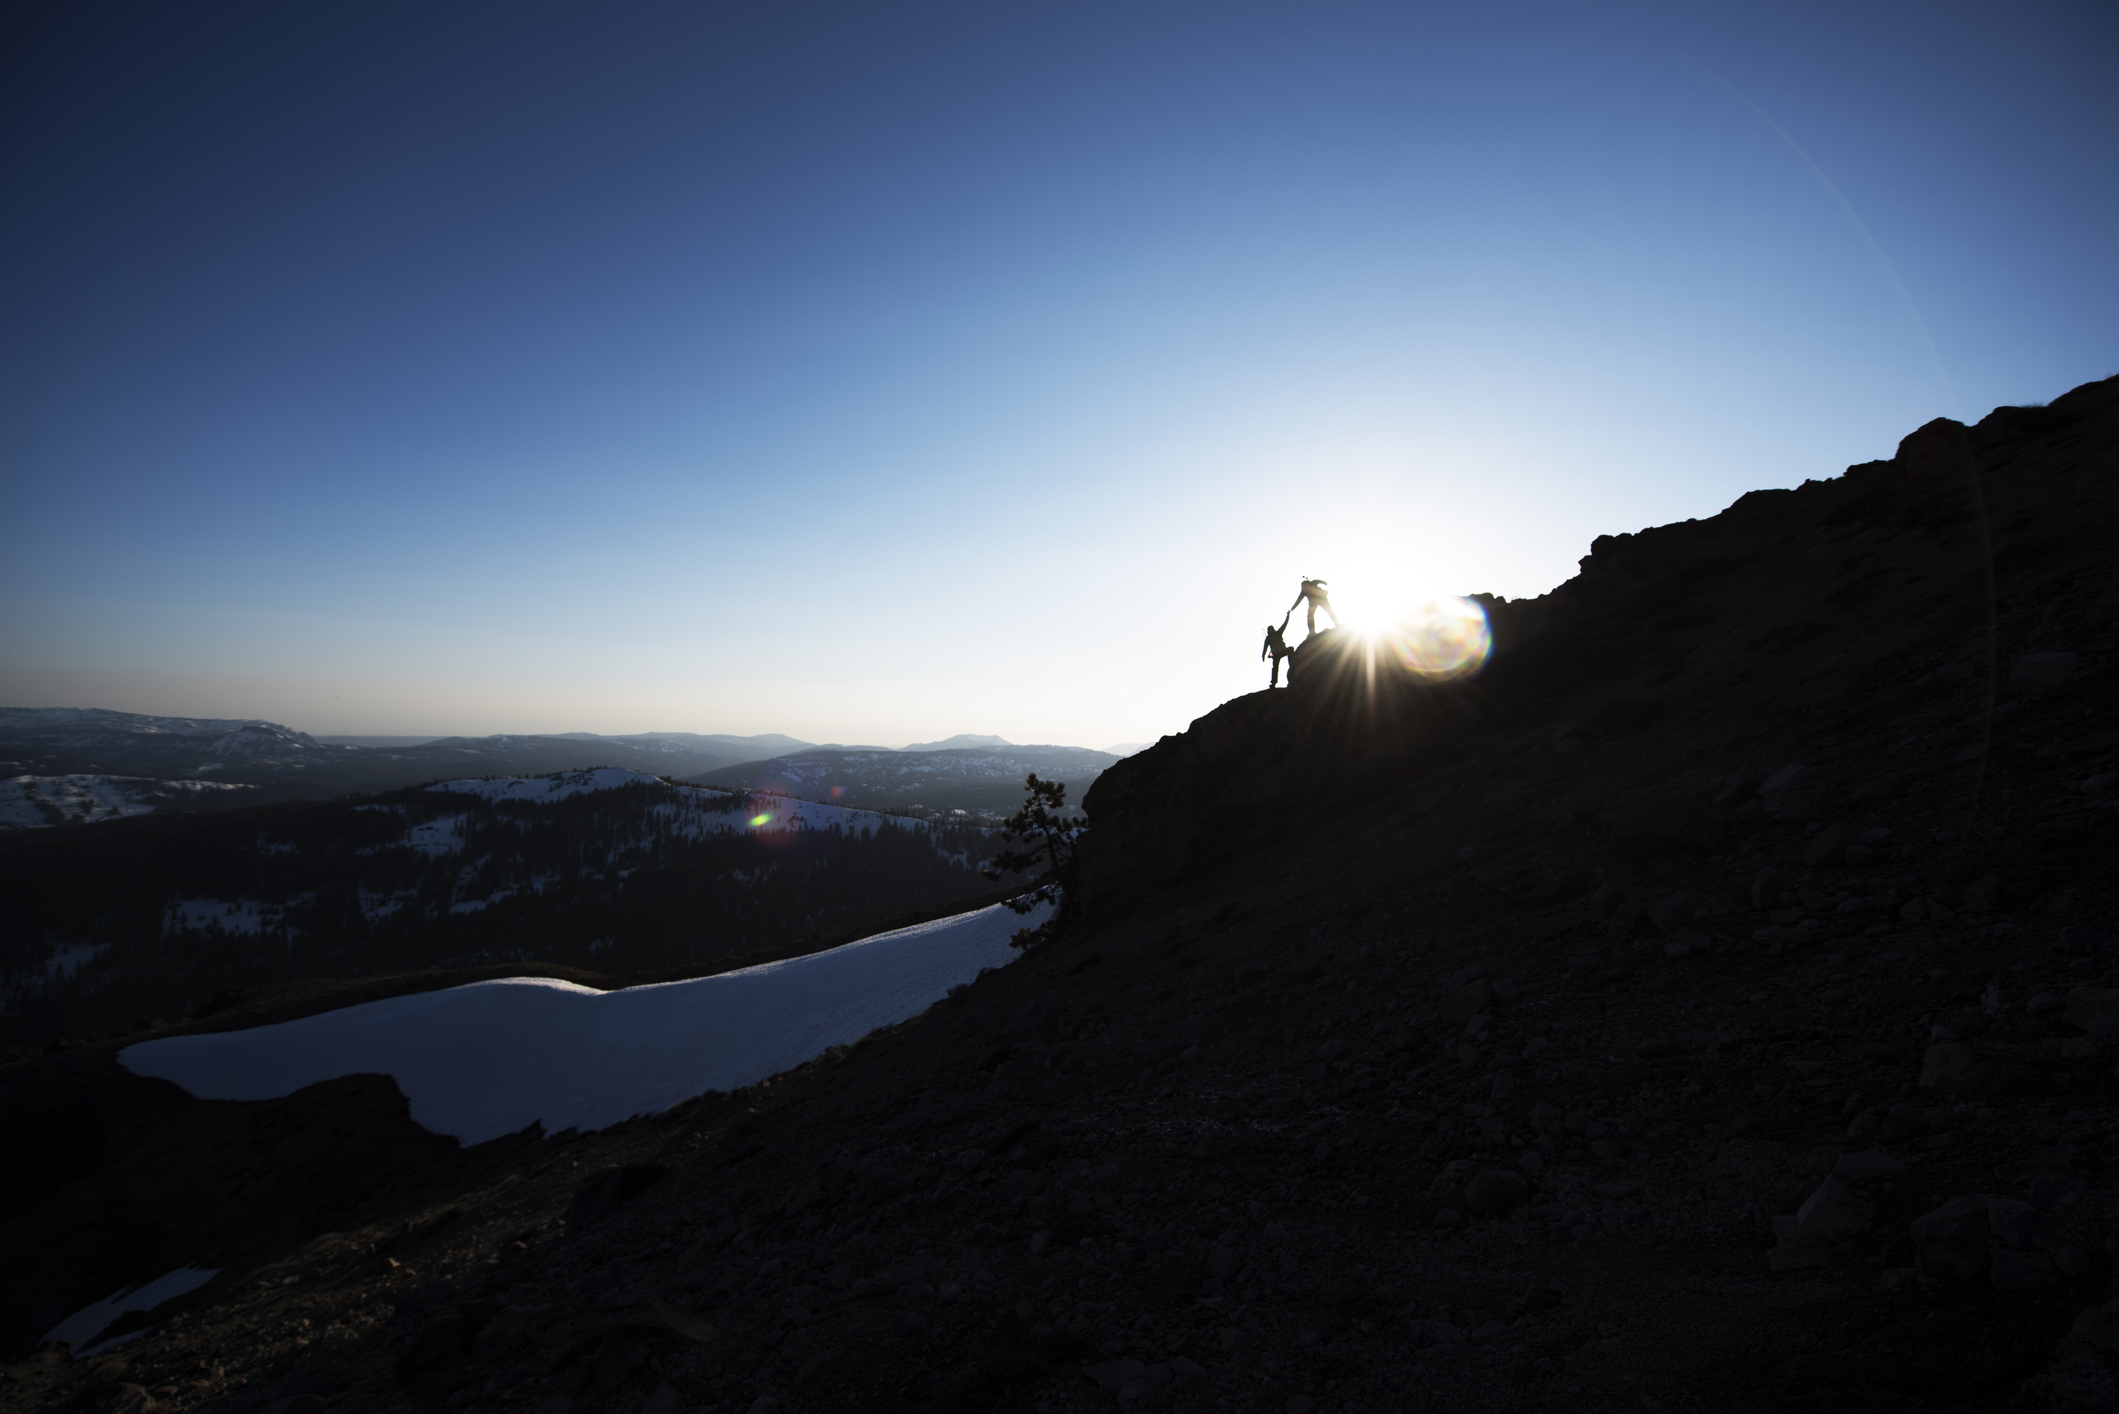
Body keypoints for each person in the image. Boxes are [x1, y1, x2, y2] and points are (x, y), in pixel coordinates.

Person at [1261, 616, 1293, 687]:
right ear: (1268, 631)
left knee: (1290, 649)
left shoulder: (1278, 633)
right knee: (1275, 668)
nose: (1271, 630)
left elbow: (1284, 625)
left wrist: (1288, 616)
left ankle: (1292, 665)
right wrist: (1263, 655)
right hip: (1276, 654)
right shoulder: (1268, 638)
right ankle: (1273, 683)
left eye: (1271, 629)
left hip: (1282, 650)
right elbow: (1265, 647)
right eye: (1269, 630)